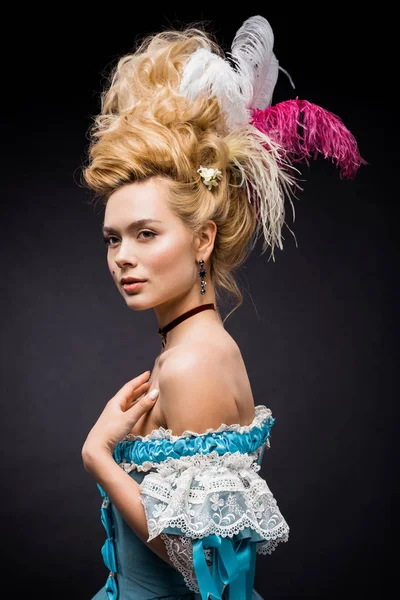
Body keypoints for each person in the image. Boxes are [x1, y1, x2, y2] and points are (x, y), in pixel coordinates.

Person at [80, 15, 364, 600]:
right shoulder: (187, 348)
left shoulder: (193, 364)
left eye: (146, 234)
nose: (122, 259)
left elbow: (204, 565)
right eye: (114, 238)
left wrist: (99, 458)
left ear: (202, 240)